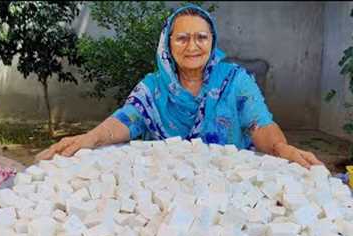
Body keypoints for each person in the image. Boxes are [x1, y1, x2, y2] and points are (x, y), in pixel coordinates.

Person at [35, 4, 322, 169]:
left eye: (201, 37)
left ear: (212, 41)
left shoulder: (234, 80)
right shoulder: (152, 88)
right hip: (165, 192)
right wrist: (90, 138)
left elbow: (260, 124)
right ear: (167, 45)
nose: (193, 46)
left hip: (230, 189)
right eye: (182, 39)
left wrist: (281, 148)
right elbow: (126, 120)